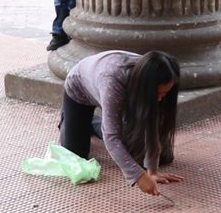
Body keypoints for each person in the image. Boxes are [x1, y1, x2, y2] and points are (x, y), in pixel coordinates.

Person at [60, 50, 183, 196]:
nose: (160, 99)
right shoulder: (112, 81)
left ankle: (101, 122)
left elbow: (152, 121)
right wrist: (138, 176)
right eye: (157, 94)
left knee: (160, 154)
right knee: (77, 154)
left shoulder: (150, 75)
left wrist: (152, 170)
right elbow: (112, 138)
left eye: (165, 94)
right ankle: (71, 119)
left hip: (110, 92)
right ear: (147, 88)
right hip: (79, 90)